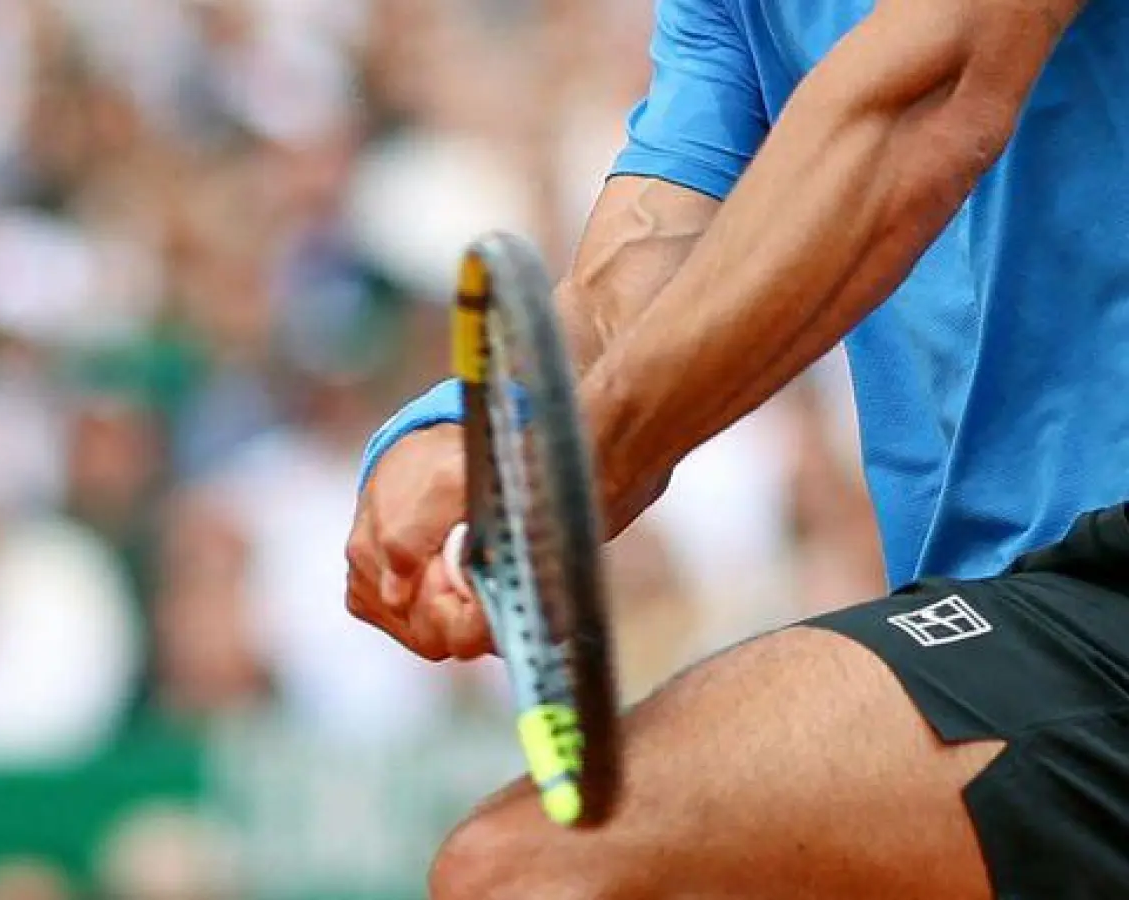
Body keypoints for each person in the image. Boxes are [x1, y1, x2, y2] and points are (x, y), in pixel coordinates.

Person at [344, 1, 1129, 897]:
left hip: (1098, 594)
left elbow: (926, 106)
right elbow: (634, 287)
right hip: (1012, 630)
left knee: (532, 870)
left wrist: (576, 459)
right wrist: (477, 438)